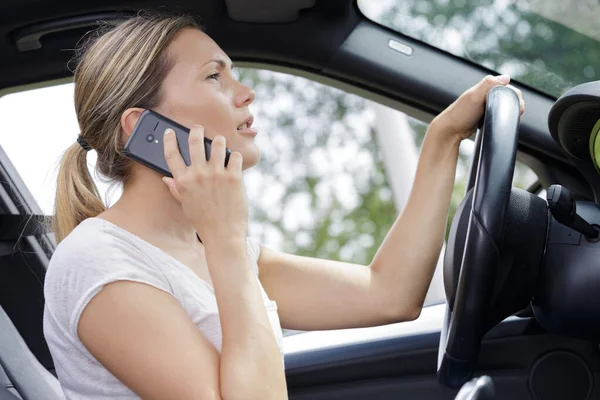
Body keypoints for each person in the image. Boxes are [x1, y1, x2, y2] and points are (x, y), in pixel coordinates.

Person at [42, 11, 524, 400]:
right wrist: (227, 238)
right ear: (143, 128)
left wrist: (443, 138)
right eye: (214, 76)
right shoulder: (98, 263)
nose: (246, 92)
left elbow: (388, 293)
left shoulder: (209, 247)